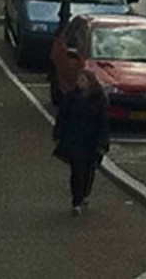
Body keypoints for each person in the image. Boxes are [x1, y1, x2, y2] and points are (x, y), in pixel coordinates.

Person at [52, 51, 110, 215]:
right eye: (79, 80)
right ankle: (76, 199)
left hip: (91, 141)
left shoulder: (99, 100)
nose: (80, 83)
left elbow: (103, 123)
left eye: (83, 80)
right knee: (77, 171)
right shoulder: (71, 98)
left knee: (88, 171)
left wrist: (102, 142)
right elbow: (63, 116)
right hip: (75, 140)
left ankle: (84, 194)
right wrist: (58, 133)